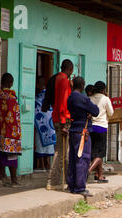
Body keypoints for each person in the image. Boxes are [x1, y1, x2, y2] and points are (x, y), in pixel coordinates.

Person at [66, 77, 99, 196]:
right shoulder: (83, 98)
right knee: (83, 159)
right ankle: (80, 187)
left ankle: (72, 185)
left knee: (73, 159)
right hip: (82, 132)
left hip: (74, 130)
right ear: (83, 85)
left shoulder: (70, 98)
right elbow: (95, 110)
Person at [47, 59, 73, 190]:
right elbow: (64, 102)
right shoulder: (64, 81)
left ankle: (57, 180)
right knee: (63, 152)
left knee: (60, 151)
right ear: (70, 69)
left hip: (56, 117)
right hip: (63, 120)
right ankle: (54, 181)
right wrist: (64, 123)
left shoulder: (56, 78)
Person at [88, 81, 114, 183]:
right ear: (103, 90)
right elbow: (111, 113)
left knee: (94, 151)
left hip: (91, 128)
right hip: (101, 127)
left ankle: (99, 175)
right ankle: (88, 171)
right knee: (100, 154)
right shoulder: (105, 99)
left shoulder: (90, 98)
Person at [0, 73, 22, 187]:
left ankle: (2, 177)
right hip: (11, 132)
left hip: (0, 131)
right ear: (11, 83)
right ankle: (14, 180)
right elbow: (14, 118)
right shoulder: (12, 98)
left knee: (1, 155)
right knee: (12, 157)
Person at [34, 77, 55, 172]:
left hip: (42, 125)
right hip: (49, 125)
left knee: (41, 145)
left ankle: (43, 165)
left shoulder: (38, 97)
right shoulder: (49, 95)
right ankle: (47, 165)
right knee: (47, 146)